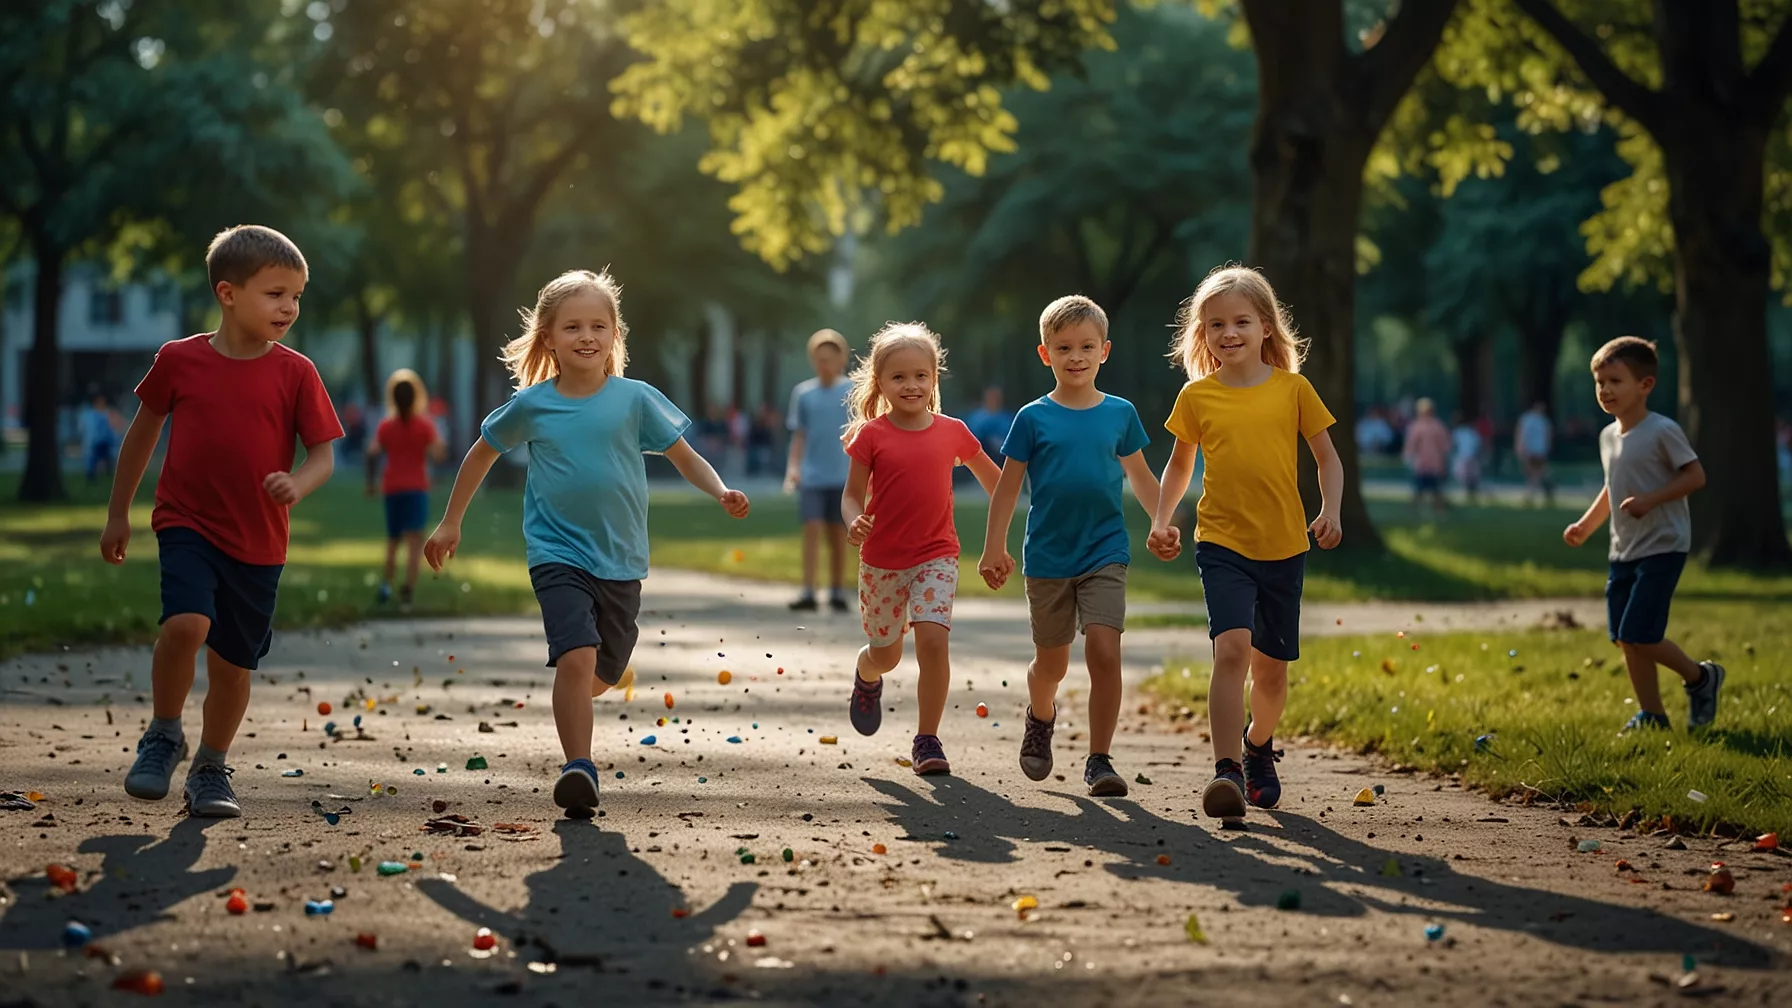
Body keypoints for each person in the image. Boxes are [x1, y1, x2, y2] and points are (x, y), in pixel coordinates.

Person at [423, 270, 749, 818]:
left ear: (615, 335)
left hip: (620, 560)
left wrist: (720, 490)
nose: (586, 335)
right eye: (572, 326)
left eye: (599, 325)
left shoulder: (635, 399)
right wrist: (451, 521)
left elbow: (684, 455)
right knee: (575, 656)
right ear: (548, 337)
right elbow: (481, 453)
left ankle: (577, 701)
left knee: (599, 671)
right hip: (556, 552)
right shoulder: (533, 405)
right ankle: (580, 767)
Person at [100, 225, 342, 818]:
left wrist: (298, 485)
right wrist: (118, 516)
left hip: (259, 541)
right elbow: (140, 436)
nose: (290, 307)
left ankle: (210, 766)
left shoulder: (297, 372)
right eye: (276, 293)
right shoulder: (179, 360)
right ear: (228, 293)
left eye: (296, 295)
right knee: (185, 624)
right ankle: (162, 733)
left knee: (233, 667)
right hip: (186, 521)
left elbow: (323, 456)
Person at [1147, 265, 1343, 824]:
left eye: (1240, 321)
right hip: (1222, 542)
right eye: (1215, 325)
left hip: (1284, 544)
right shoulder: (1198, 396)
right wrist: (1163, 519)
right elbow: (1180, 463)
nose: (1228, 333)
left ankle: (1259, 744)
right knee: (1230, 650)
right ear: (1201, 335)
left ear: (1265, 328)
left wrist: (1330, 509)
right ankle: (1227, 769)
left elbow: (1327, 457)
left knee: (1273, 672)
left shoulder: (1294, 390)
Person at [977, 295, 1161, 797]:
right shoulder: (1032, 418)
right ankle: (1041, 715)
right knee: (1053, 664)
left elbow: (1141, 478)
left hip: (1105, 549)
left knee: (1105, 650)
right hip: (1048, 556)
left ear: (1105, 350)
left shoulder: (1120, 414)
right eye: (1064, 347)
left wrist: (1162, 521)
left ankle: (1099, 759)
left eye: (1086, 346)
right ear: (1045, 354)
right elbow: (1008, 487)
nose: (1075, 356)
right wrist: (995, 548)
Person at [842, 322, 1002, 776]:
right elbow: (851, 494)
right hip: (881, 561)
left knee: (933, 642)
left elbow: (998, 484)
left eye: (920, 376)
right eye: (899, 377)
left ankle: (927, 739)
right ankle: (867, 674)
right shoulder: (871, 435)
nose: (911, 385)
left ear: (934, 378)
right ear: (881, 383)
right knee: (887, 653)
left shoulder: (953, 431)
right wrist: (853, 520)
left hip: (937, 554)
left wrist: (1001, 538)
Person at [1563, 337, 1723, 733]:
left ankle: (1701, 678)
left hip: (1663, 546)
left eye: (1615, 380)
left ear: (1645, 385)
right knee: (1624, 638)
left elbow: (1695, 476)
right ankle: (1652, 715)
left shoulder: (1661, 431)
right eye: (1599, 382)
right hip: (1624, 551)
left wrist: (1651, 500)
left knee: (1641, 633)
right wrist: (1586, 525)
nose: (1605, 390)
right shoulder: (1607, 437)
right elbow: (1611, 487)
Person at [784, 329, 853, 612]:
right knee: (812, 529)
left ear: (841, 360)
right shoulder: (804, 394)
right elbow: (799, 435)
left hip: (843, 474)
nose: (824, 364)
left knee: (838, 533)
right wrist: (793, 468)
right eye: (819, 359)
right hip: (813, 474)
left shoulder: (851, 391)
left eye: (830, 358)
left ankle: (837, 589)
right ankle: (808, 590)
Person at [367, 368, 446, 610]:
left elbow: (372, 453)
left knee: (393, 541)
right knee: (414, 544)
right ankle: (407, 593)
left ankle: (386, 586)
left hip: (392, 488)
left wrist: (370, 483)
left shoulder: (386, 426)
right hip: (416, 489)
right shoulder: (424, 425)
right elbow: (439, 453)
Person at [1402, 398, 1450, 519]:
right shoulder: (1438, 426)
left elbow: (1411, 446)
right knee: (1434, 491)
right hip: (1432, 464)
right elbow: (1445, 447)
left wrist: (1408, 457)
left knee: (1423, 491)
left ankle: (1415, 514)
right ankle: (1438, 513)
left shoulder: (1417, 426)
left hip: (1423, 464)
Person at [1515, 401, 1555, 507]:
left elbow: (1547, 436)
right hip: (1533, 450)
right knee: (1536, 473)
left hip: (1536, 450)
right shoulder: (1531, 419)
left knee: (1535, 474)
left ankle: (1530, 495)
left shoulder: (1540, 420)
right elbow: (1521, 434)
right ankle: (1545, 490)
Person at [965, 386, 1014, 464]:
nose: (994, 400)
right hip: (981, 454)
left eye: (996, 397)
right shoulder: (976, 417)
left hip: (1001, 455)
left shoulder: (1007, 417)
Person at [80, 388, 120, 483]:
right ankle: (91, 476)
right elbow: (86, 428)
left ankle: (109, 476)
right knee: (93, 459)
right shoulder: (90, 414)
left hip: (106, 440)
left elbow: (115, 426)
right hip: (95, 441)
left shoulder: (107, 413)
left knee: (108, 459)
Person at [1450, 409, 1484, 505]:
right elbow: (1478, 445)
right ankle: (1471, 496)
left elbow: (1453, 446)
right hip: (1471, 457)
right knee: (1472, 478)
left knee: (1465, 479)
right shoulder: (1472, 432)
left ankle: (1469, 495)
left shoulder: (1457, 433)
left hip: (1462, 457)